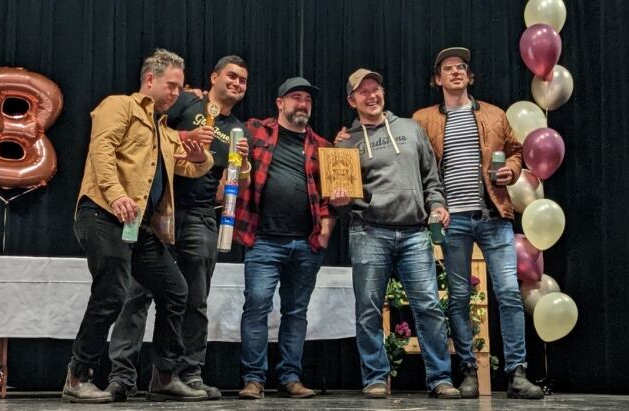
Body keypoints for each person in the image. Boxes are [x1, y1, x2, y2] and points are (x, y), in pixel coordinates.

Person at [62, 48, 214, 403]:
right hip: (103, 213)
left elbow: (194, 167)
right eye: (171, 86)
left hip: (137, 226)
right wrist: (116, 195)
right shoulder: (120, 106)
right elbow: (102, 150)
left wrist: (199, 154)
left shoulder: (163, 130)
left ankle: (164, 375)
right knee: (112, 293)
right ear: (150, 80)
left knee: (176, 290)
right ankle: (77, 376)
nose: (176, 94)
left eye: (179, 88)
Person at [105, 55, 251, 401]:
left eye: (243, 80)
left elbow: (225, 190)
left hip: (201, 216)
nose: (236, 83)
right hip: (159, 210)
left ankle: (185, 374)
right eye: (231, 76)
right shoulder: (184, 100)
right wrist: (185, 136)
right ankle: (122, 376)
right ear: (214, 77)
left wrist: (241, 165)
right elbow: (147, 131)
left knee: (194, 300)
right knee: (136, 294)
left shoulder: (238, 130)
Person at [412, 47, 544, 399]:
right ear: (437, 79)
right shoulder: (422, 119)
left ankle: (517, 374)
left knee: (509, 294)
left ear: (469, 77)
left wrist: (512, 170)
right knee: (458, 298)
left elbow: (516, 151)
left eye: (462, 68)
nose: (456, 72)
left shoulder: (495, 115)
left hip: (493, 216)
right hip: (451, 220)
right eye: (448, 68)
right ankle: (468, 371)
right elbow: (414, 162)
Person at [332, 69, 460, 399]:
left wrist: (438, 204)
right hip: (368, 231)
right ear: (352, 100)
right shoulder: (346, 143)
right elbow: (341, 196)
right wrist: (342, 200)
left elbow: (431, 177)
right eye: (364, 92)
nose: (372, 96)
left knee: (429, 306)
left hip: (416, 233)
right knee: (367, 310)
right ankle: (375, 377)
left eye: (376, 89)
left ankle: (440, 379)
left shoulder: (410, 128)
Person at [233, 77, 335, 400]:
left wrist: (327, 227)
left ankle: (290, 378)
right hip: (263, 241)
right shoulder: (255, 132)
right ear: (280, 103)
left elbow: (333, 197)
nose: (302, 104)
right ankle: (253, 379)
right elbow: (229, 141)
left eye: (307, 99)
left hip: (306, 244)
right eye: (295, 98)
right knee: (256, 308)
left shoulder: (323, 147)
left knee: (296, 312)